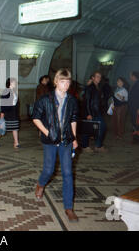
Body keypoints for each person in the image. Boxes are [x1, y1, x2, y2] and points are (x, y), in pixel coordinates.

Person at [32, 69, 79, 223]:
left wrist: (73, 137)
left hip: (66, 140)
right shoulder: (46, 98)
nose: (65, 85)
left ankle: (68, 208)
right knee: (49, 169)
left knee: (67, 173)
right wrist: (47, 133)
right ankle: (41, 184)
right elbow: (36, 117)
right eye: (62, 82)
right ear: (56, 81)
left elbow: (73, 119)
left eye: (68, 82)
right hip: (50, 140)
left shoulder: (72, 100)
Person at [81, 71, 107, 153]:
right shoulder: (90, 87)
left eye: (100, 76)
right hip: (91, 112)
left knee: (101, 127)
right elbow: (87, 101)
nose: (99, 78)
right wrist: (88, 113)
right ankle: (85, 146)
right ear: (93, 78)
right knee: (87, 128)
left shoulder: (98, 87)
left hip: (97, 111)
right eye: (97, 76)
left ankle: (98, 146)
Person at [0, 78, 20, 149]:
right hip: (8, 112)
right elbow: (3, 104)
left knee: (15, 127)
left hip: (14, 112)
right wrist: (2, 114)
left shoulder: (14, 91)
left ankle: (16, 143)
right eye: (14, 82)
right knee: (2, 126)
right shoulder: (6, 91)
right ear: (10, 83)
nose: (15, 83)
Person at [128, 71, 139, 144]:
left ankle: (136, 139)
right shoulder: (134, 84)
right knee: (134, 122)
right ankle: (135, 138)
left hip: (136, 107)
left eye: (130, 75)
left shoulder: (138, 84)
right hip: (133, 107)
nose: (130, 77)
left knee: (136, 123)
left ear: (134, 76)